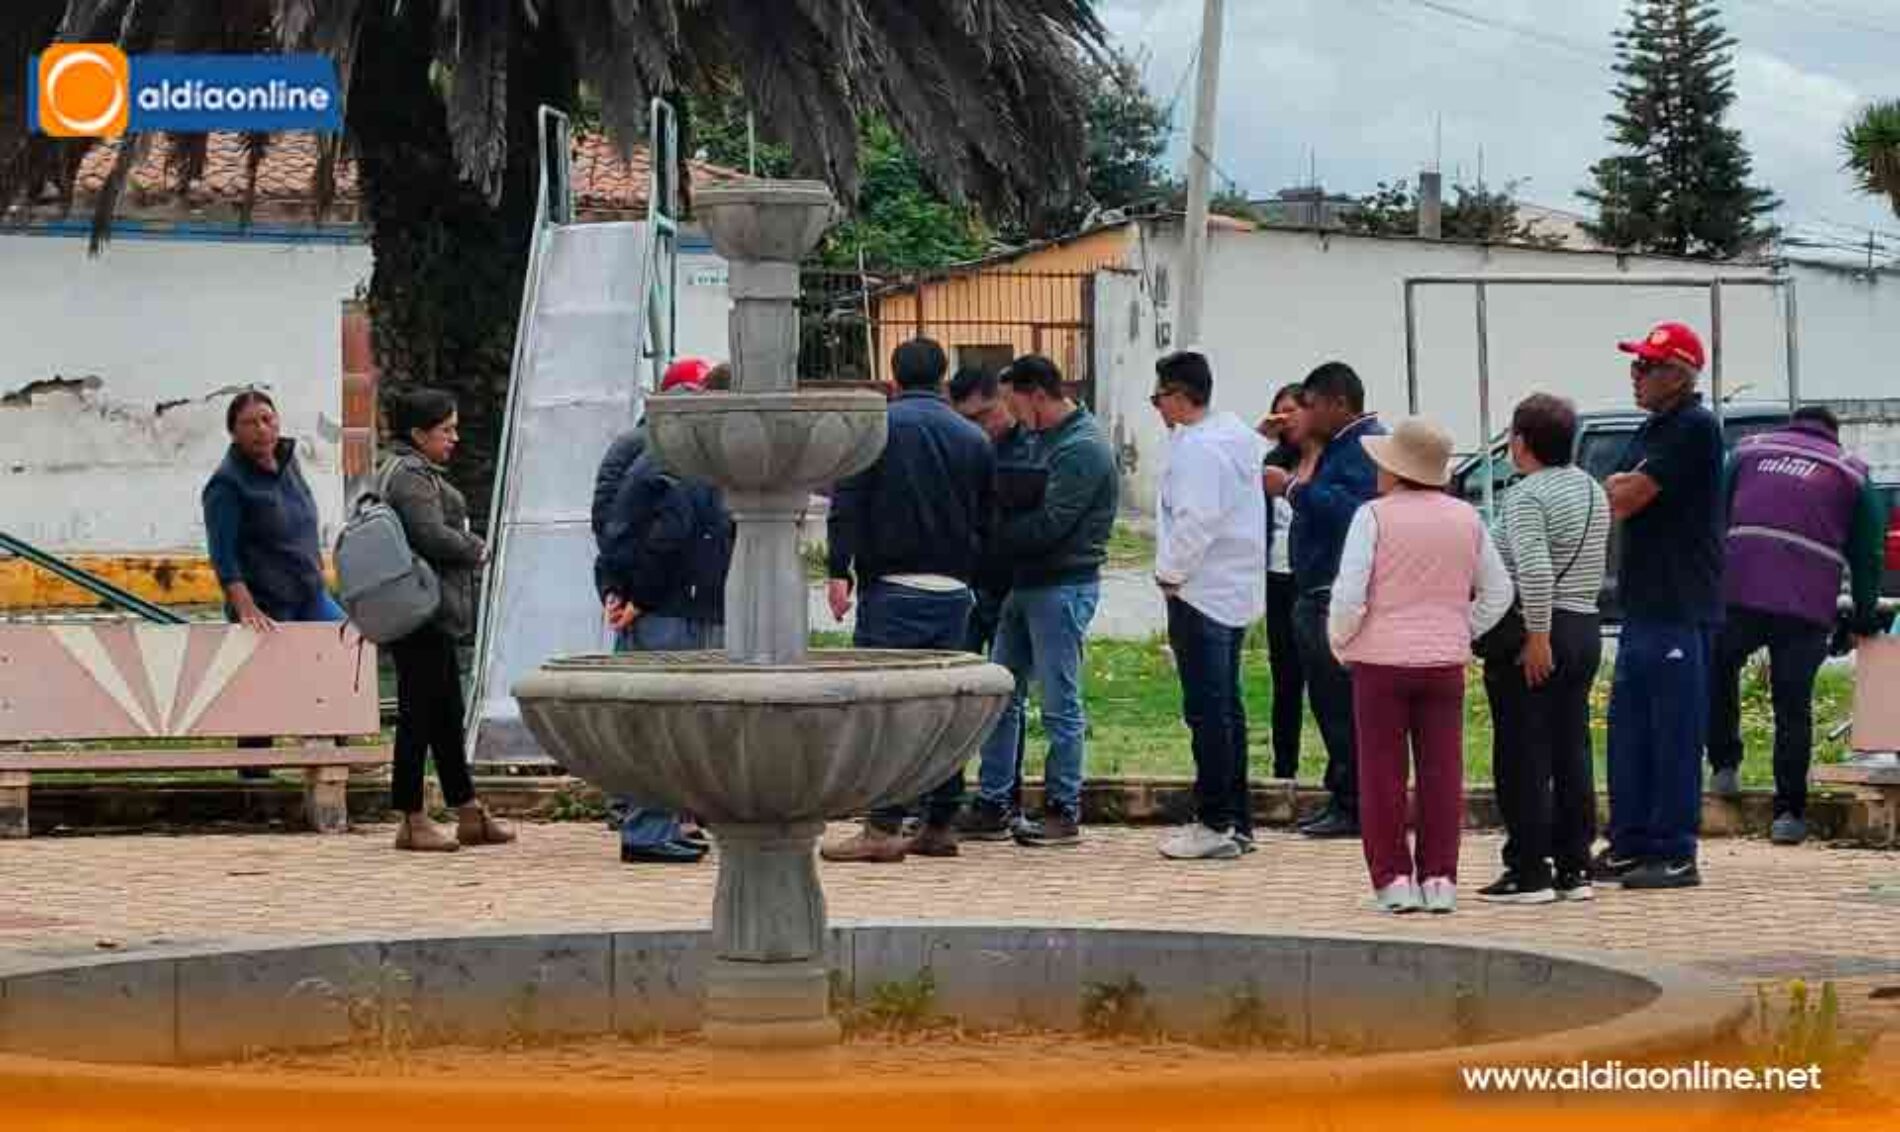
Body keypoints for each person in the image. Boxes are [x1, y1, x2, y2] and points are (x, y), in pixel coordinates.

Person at [821, 339, 995, 863]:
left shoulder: (876, 430)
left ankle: (882, 825)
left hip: (892, 589)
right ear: (944, 378)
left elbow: (847, 504)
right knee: (947, 709)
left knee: (887, 709)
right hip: (955, 591)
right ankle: (941, 822)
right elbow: (988, 517)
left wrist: (838, 571)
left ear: (892, 378)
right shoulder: (973, 438)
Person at [1329, 417, 1513, 914]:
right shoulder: (1467, 518)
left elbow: (1349, 594)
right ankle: (1440, 880)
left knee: (1383, 774)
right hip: (1443, 661)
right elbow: (1499, 590)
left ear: (1394, 470)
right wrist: (1464, 627)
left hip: (1380, 660)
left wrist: (1342, 640)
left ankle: (1393, 880)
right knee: (1441, 772)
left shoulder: (1373, 516)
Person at [1707, 405, 1889, 846]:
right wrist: (1863, 615)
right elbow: (1868, 555)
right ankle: (1789, 814)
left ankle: (1725, 766)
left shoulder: (1749, 451)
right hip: (1805, 604)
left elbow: (1715, 516)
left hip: (1739, 589)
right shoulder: (1851, 472)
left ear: (1792, 424)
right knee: (1792, 705)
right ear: (1834, 434)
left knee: (1718, 668)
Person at [1597, 322, 1724, 890]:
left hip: (1679, 603)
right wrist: (1622, 484)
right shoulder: (1652, 428)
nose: (1636, 375)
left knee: (1673, 734)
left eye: (1647, 366)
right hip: (1643, 602)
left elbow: (1622, 497)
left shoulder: (1694, 428)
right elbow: (1615, 487)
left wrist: (1624, 484)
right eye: (1635, 364)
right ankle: (1629, 842)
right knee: (1630, 733)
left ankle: (1675, 849)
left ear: (1679, 373)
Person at [974, 355, 1118, 848]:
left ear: (1038, 394)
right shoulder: (1040, 439)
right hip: (1027, 582)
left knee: (1058, 703)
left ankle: (1063, 807)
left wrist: (991, 536)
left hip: (1062, 583)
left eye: (1015, 404)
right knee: (1001, 696)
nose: (1012, 417)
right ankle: (993, 800)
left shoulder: (1081, 447)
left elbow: (1052, 523)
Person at [594, 362, 733, 864]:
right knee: (663, 725)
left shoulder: (672, 451)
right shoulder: (689, 459)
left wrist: (615, 587)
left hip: (669, 601)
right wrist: (640, 598)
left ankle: (658, 824)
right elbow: (668, 535)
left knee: (664, 722)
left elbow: (619, 523)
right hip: (673, 606)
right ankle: (648, 831)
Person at [1478, 394, 1611, 905]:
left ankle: (1528, 868)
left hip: (1542, 630)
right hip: (1584, 624)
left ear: (1522, 441)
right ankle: (1575, 866)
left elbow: (1532, 570)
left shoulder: (1527, 496)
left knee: (1522, 753)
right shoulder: (1592, 489)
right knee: (1571, 748)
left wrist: (1536, 637)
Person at [380, 388, 514, 852]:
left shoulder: (415, 471)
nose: (454, 438)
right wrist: (476, 548)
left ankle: (468, 809)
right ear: (418, 434)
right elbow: (430, 535)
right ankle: (412, 818)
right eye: (446, 430)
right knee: (419, 716)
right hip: (421, 612)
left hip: (432, 610)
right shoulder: (411, 477)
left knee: (444, 714)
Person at [1150, 350, 1269, 861]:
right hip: (1231, 589)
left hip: (1198, 591)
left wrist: (1168, 573)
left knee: (1207, 712)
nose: (1157, 407)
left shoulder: (1200, 448)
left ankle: (1215, 819)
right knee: (1227, 710)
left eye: (1159, 397)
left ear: (1180, 396)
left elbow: (1195, 521)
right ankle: (1236, 819)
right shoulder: (1236, 437)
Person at [1266, 362, 1386, 839]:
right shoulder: (1338, 447)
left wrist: (1293, 489)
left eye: (1311, 405)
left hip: (1333, 594)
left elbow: (1351, 512)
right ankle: (1343, 792)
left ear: (1338, 403)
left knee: (1340, 705)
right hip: (1314, 591)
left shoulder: (1362, 448)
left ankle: (1355, 803)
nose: (1304, 415)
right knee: (1328, 702)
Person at [202, 390, 345, 777]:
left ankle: (333, 757)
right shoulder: (226, 485)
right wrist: (245, 606)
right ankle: (253, 778)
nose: (261, 430)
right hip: (266, 600)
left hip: (308, 592)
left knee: (343, 652)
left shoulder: (287, 461)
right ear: (233, 432)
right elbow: (223, 554)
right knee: (262, 692)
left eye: (267, 419)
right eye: (249, 423)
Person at [949, 366, 1035, 836]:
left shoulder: (1030, 446)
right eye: (969, 420)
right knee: (957, 695)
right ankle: (950, 795)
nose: (979, 428)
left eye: (985, 415)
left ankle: (1003, 798)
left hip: (1012, 586)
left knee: (1007, 697)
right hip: (970, 583)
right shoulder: (965, 446)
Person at [1259, 384, 1310, 781]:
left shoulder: (1324, 460)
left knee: (1328, 680)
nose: (1284, 420)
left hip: (1316, 582)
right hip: (1278, 579)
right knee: (1285, 680)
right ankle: (1284, 768)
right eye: (1277, 413)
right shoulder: (1270, 461)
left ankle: (1342, 771)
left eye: (1291, 411)